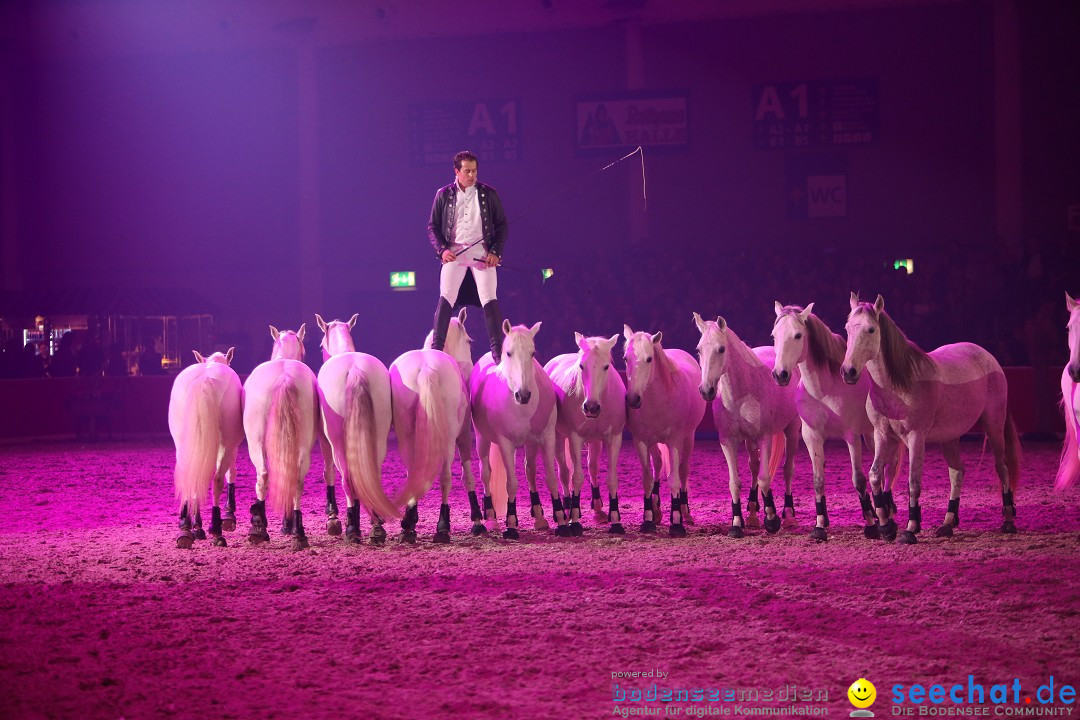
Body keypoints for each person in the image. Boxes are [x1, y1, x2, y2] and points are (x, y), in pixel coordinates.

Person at [427, 150, 508, 362]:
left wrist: (495, 252)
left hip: (481, 251)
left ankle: (497, 353)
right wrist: (442, 250)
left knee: (489, 298)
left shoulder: (488, 194)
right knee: (446, 297)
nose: (472, 175)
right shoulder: (443, 194)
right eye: (467, 171)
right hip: (454, 252)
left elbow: (501, 226)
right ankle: (437, 349)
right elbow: (433, 227)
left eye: (474, 171)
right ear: (457, 171)